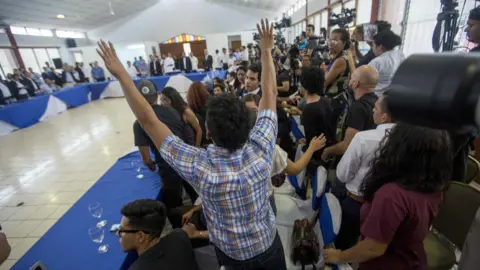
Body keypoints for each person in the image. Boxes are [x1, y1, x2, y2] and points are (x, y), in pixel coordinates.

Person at [96, 19, 286, 269]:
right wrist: (266, 50)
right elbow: (270, 93)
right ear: (246, 122)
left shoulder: (200, 166)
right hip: (268, 247)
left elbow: (149, 121)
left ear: (207, 130)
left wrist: (122, 74)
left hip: (232, 257)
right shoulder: (262, 145)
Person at [324, 124, 452, 270]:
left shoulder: (392, 195)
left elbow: (372, 248)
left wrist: (339, 256)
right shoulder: (433, 187)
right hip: (412, 259)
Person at [334, 92, 395, 250]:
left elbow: (343, 174)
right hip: (386, 209)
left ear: (384, 117)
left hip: (356, 202)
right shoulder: (409, 142)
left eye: (375, 108)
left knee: (343, 244)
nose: (373, 111)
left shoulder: (365, 138)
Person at [133, 81, 198, 218]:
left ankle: (179, 229)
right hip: (187, 160)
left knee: (173, 206)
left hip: (168, 168)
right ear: (156, 95)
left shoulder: (140, 122)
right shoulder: (172, 111)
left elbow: (146, 159)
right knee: (195, 196)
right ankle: (198, 220)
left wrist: (151, 165)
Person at [117, 199, 199, 270]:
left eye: (121, 230)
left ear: (140, 236)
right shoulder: (180, 235)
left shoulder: (137, 268)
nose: (117, 233)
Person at [322, 65, 379, 163]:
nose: (349, 81)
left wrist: (327, 151)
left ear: (355, 83)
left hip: (353, 161)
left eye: (351, 78)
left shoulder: (358, 108)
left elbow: (347, 145)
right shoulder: (377, 102)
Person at [299, 66, 336, 163]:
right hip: (328, 147)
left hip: (317, 156)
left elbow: (312, 140)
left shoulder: (309, 109)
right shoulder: (325, 100)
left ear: (304, 85)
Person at [368, 30, 405, 96]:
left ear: (380, 46)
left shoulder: (377, 62)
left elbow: (362, 80)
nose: (372, 48)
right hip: (394, 96)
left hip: (376, 97)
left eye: (373, 45)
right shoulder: (400, 55)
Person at [324, 28, 353, 95]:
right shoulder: (338, 57)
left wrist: (324, 70)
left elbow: (324, 83)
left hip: (334, 100)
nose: (330, 43)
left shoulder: (341, 60)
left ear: (344, 43)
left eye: (335, 40)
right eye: (330, 40)